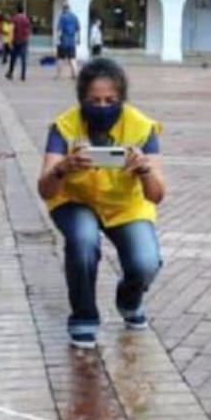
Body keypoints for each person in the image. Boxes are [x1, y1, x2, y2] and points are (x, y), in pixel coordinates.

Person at [36, 59, 166, 349]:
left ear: (122, 99)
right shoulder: (64, 127)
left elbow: (156, 195)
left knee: (145, 263)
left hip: (125, 206)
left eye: (111, 101)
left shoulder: (142, 127)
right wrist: (63, 167)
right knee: (83, 239)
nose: (103, 107)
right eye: (94, 100)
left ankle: (129, 299)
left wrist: (144, 169)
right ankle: (84, 316)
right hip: (74, 200)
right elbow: (45, 189)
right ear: (81, 99)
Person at [56, 3, 80, 80]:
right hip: (72, 41)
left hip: (64, 41)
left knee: (60, 58)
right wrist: (78, 40)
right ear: (69, 8)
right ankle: (75, 74)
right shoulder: (74, 17)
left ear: (63, 9)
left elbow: (59, 30)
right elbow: (78, 29)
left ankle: (58, 75)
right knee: (73, 58)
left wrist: (58, 39)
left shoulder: (62, 17)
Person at [6, 8, 31, 82]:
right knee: (23, 59)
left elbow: (11, 30)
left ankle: (10, 73)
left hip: (15, 41)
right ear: (23, 11)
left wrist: (10, 41)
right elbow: (28, 30)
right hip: (24, 41)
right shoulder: (26, 19)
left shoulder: (14, 18)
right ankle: (23, 75)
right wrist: (26, 38)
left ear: (17, 11)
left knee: (13, 58)